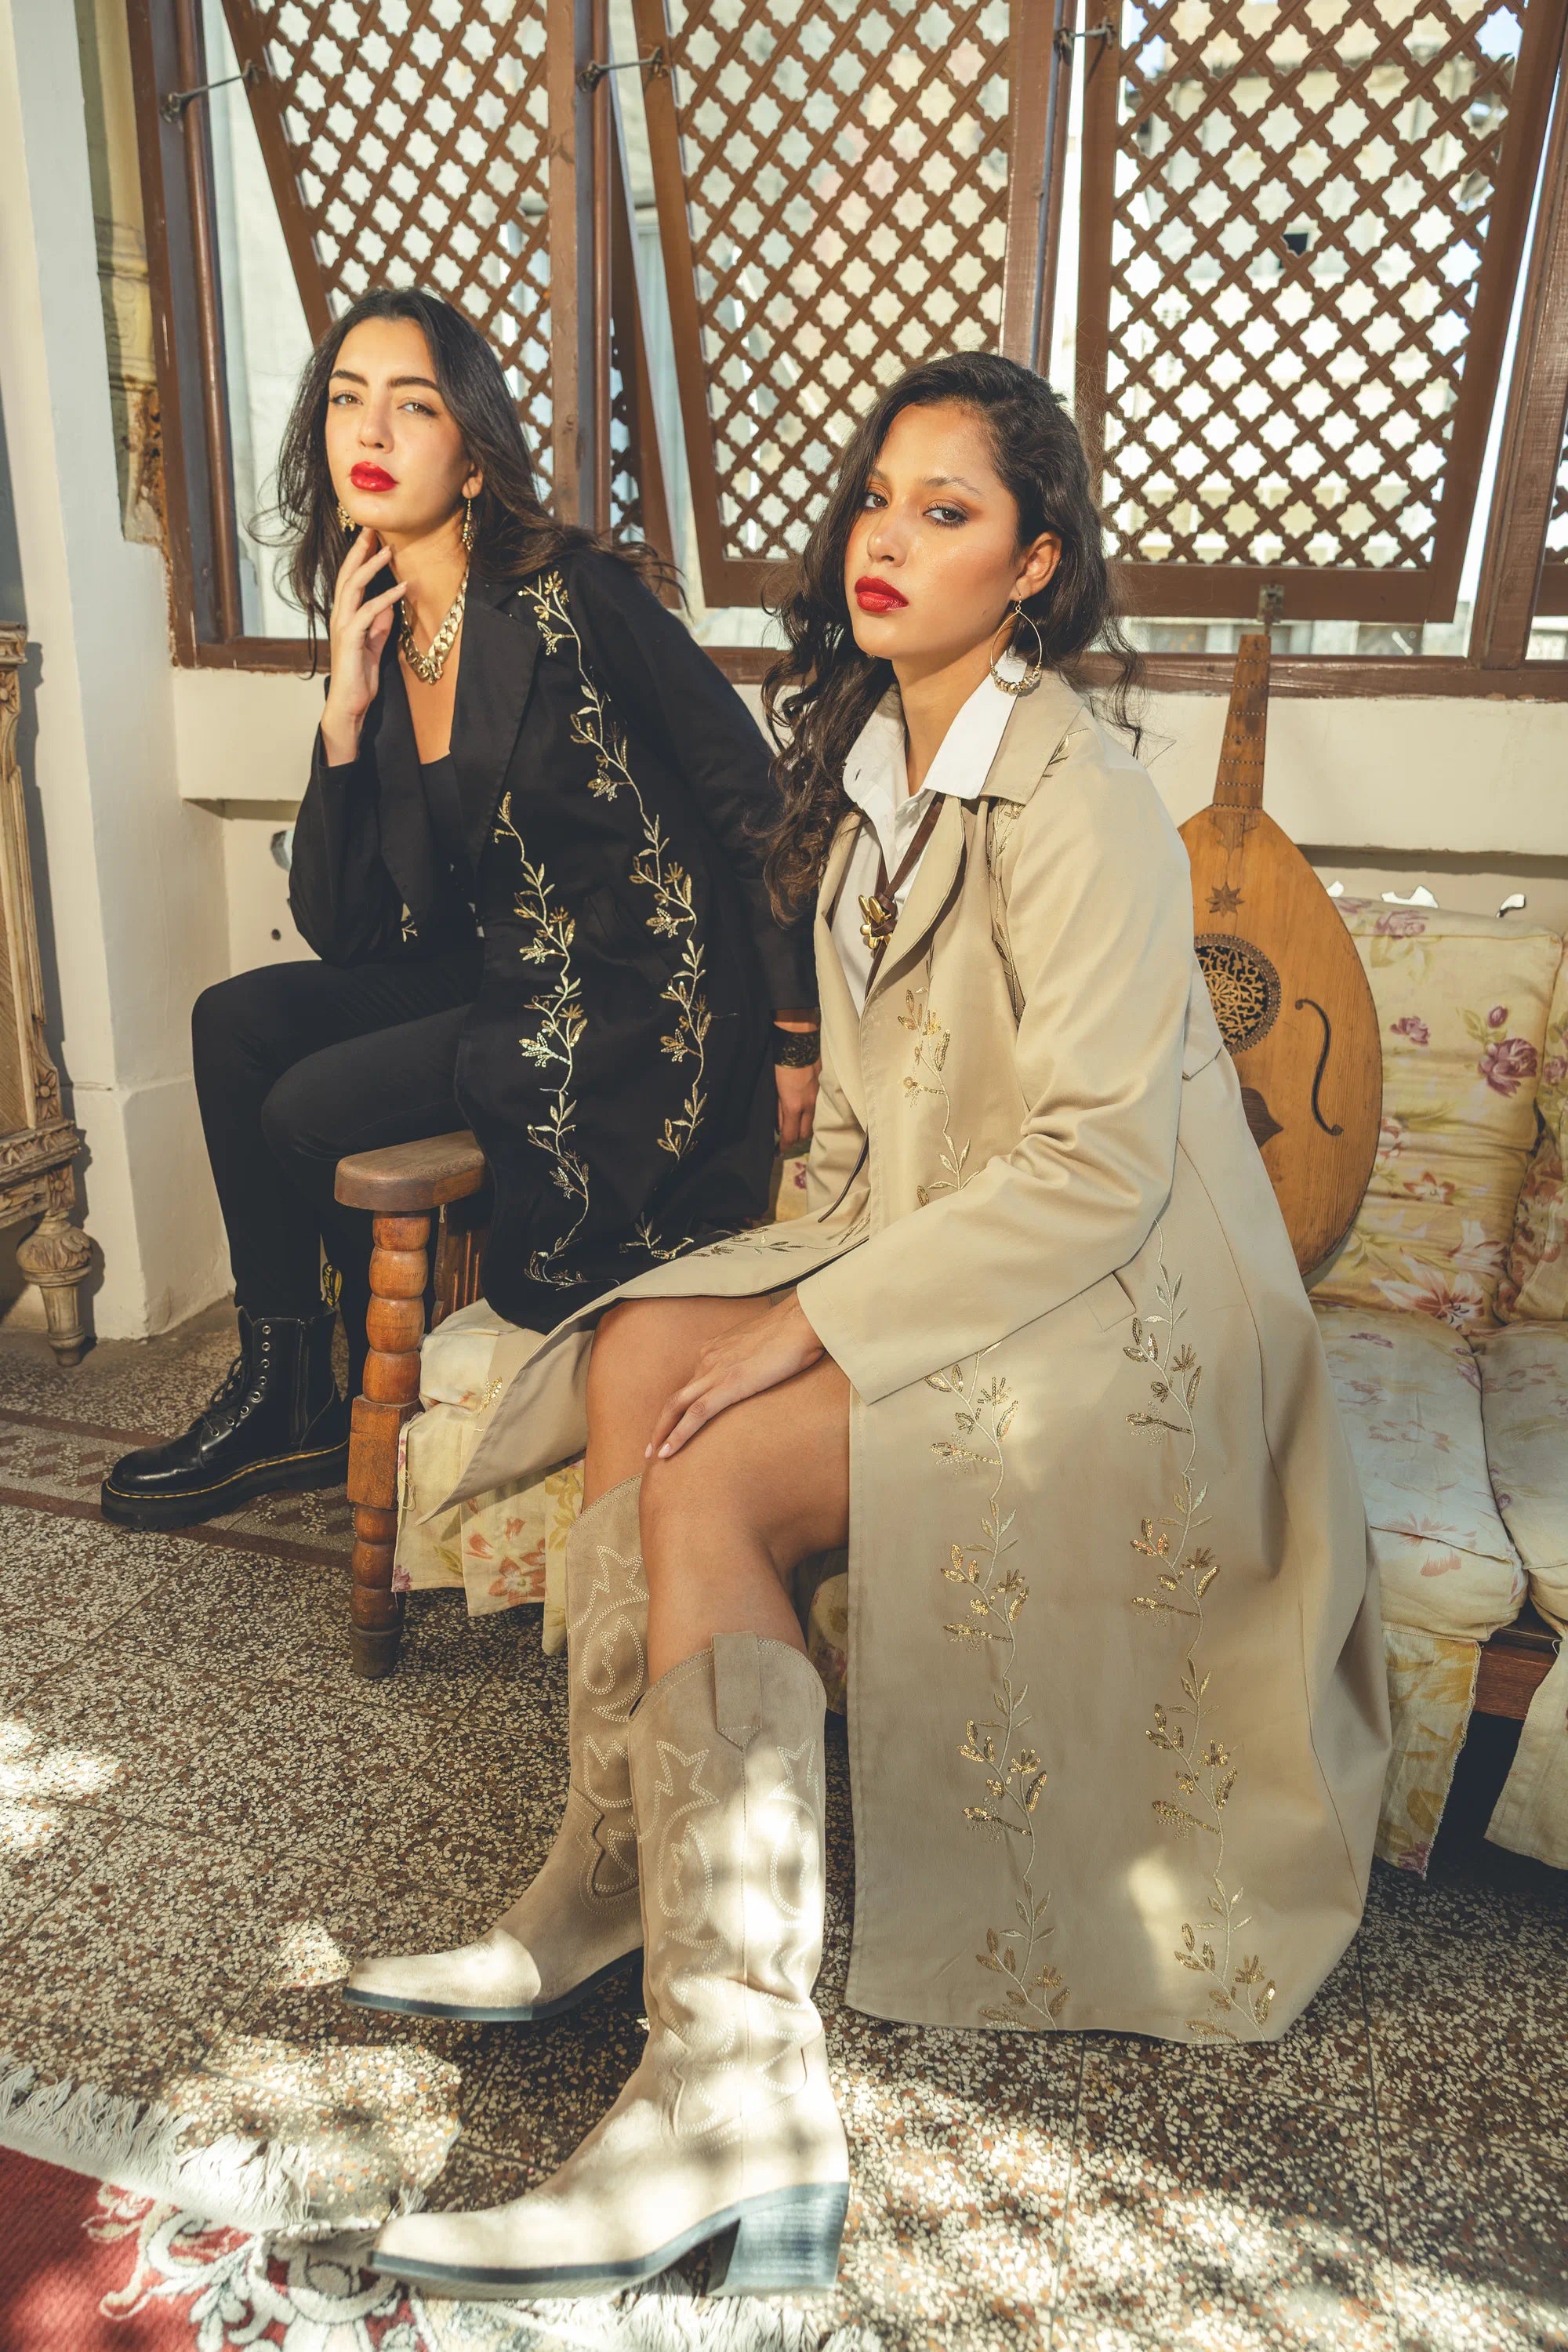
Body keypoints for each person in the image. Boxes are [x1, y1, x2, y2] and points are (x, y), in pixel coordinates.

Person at [358, 353, 1390, 2300]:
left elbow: (1097, 1166)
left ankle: (733, 2085)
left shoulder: (1078, 791)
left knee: (720, 1470)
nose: (889, 542)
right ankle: (610, 1884)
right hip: (967, 1245)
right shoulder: (872, 776)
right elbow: (855, 1129)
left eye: (949, 513)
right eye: (876, 504)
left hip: (1133, 1301)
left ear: (1036, 570)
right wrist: (763, 1297)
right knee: (657, 1359)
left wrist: (820, 1322)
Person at [101, 288, 818, 1532]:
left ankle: (311, 1386)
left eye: (412, 404)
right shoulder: (377, 632)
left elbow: (748, 794)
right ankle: (287, 1396)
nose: (367, 429)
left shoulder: (577, 595)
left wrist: (794, 1031)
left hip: (621, 993)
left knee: (303, 1107)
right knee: (234, 1021)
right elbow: (347, 929)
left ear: (473, 452)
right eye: (344, 399)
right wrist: (340, 706)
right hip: (488, 966)